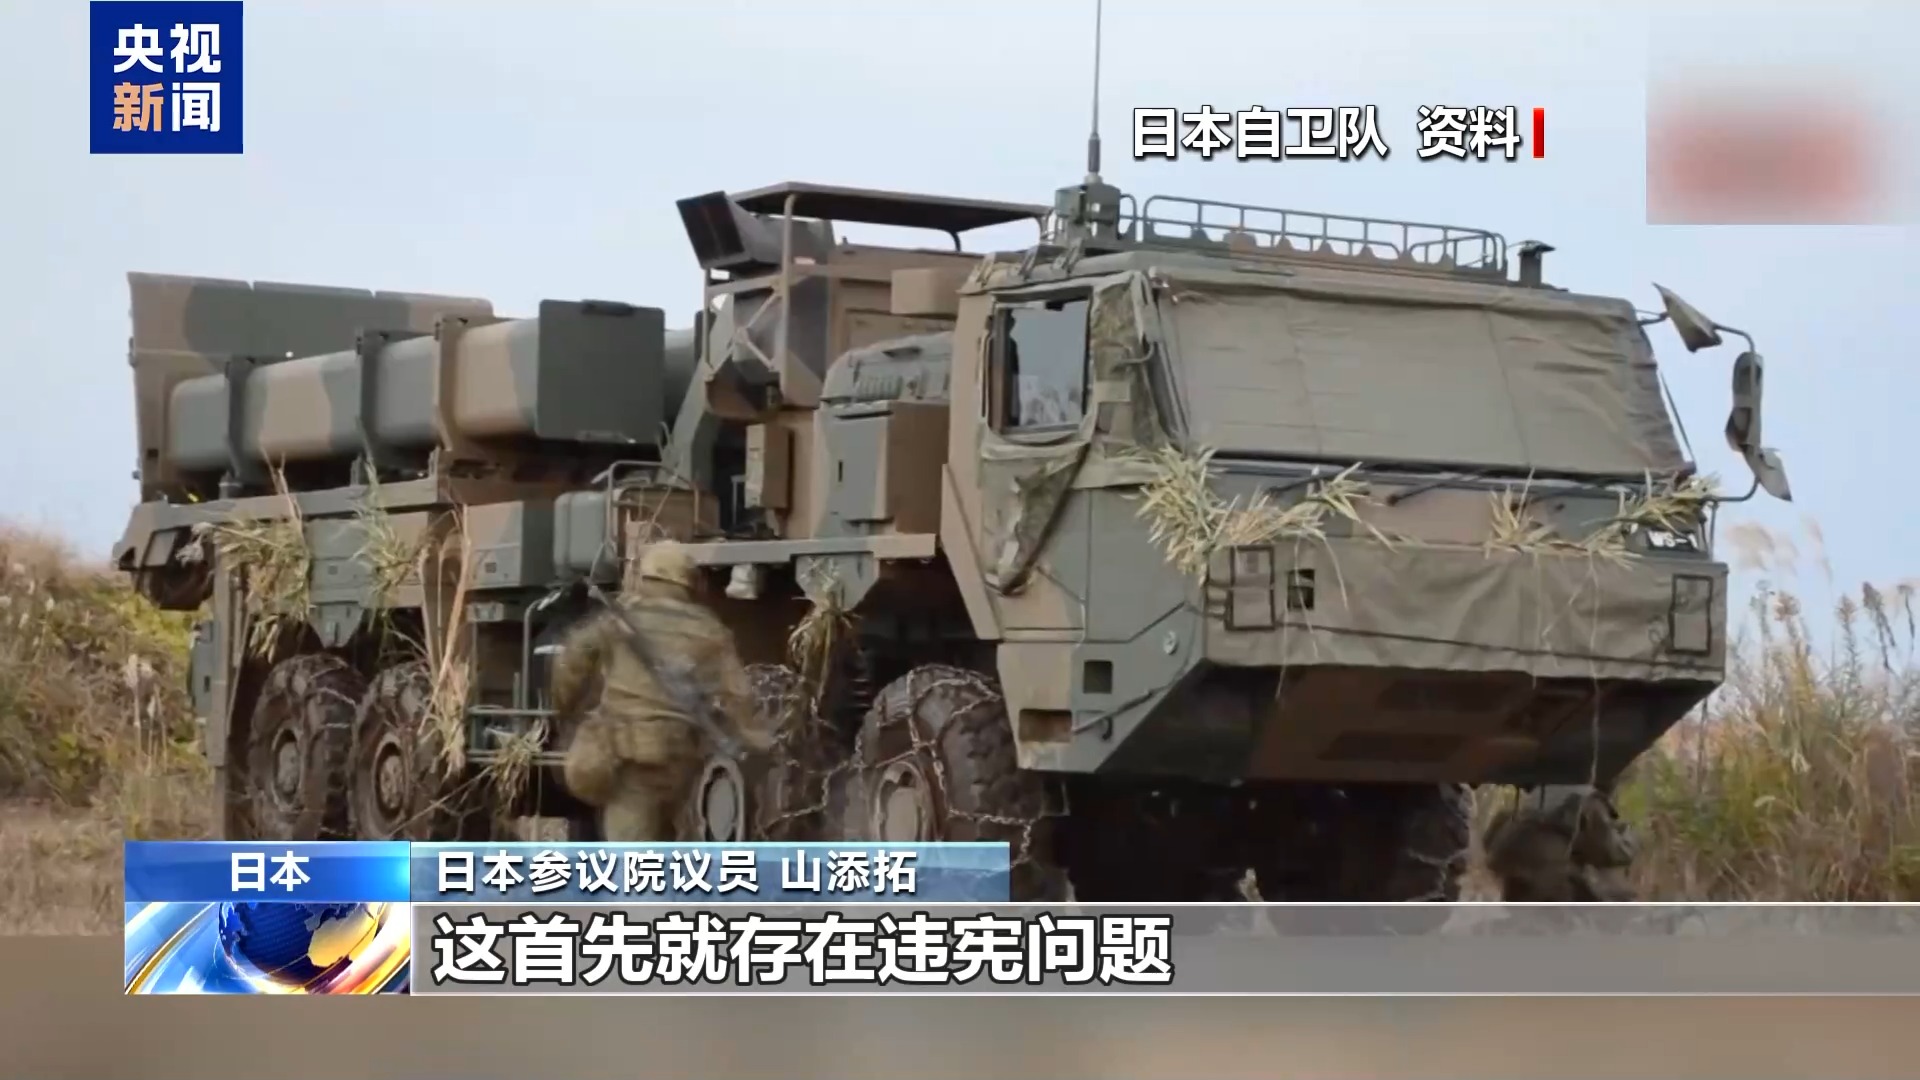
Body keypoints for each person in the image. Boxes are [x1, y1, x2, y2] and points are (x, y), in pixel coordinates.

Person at [552, 542, 758, 842]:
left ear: (646, 577)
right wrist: (754, 741)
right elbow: (739, 694)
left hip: (630, 760)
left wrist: (566, 709)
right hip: (683, 760)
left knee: (633, 854)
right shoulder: (710, 629)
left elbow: (571, 661)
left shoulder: (619, 621)